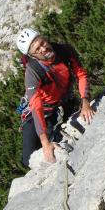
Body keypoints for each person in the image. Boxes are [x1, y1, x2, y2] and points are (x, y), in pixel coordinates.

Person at [16, 28, 95, 166]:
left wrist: (85, 103)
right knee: (27, 158)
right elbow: (36, 106)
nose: (43, 49)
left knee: (73, 132)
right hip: (43, 109)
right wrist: (45, 142)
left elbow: (81, 74)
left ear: (44, 38)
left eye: (42, 43)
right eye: (37, 49)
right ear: (32, 55)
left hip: (64, 100)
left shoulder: (64, 50)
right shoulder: (33, 71)